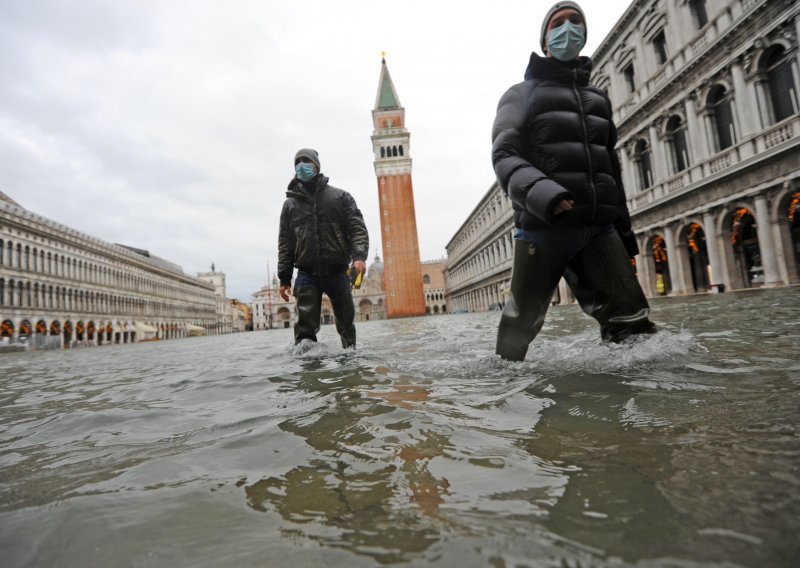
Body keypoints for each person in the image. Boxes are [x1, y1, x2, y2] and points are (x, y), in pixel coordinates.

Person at [491, 1, 656, 361]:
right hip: (543, 226)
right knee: (519, 328)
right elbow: (504, 154)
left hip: (599, 228)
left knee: (634, 324)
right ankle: (505, 398)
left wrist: (624, 238)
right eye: (559, 23)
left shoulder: (599, 99)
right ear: (546, 39)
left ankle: (638, 399)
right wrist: (546, 195)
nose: (569, 28)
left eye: (576, 22)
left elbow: (611, 168)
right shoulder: (521, 94)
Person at [278, 148, 369, 348]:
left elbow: (357, 229)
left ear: (316, 166)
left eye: (306, 161)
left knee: (346, 326)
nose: (302, 165)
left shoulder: (341, 197)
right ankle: (309, 371)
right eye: (298, 162)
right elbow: (285, 243)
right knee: (304, 330)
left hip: (338, 270)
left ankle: (351, 366)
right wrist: (284, 278)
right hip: (306, 273)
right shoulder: (290, 205)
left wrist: (359, 256)